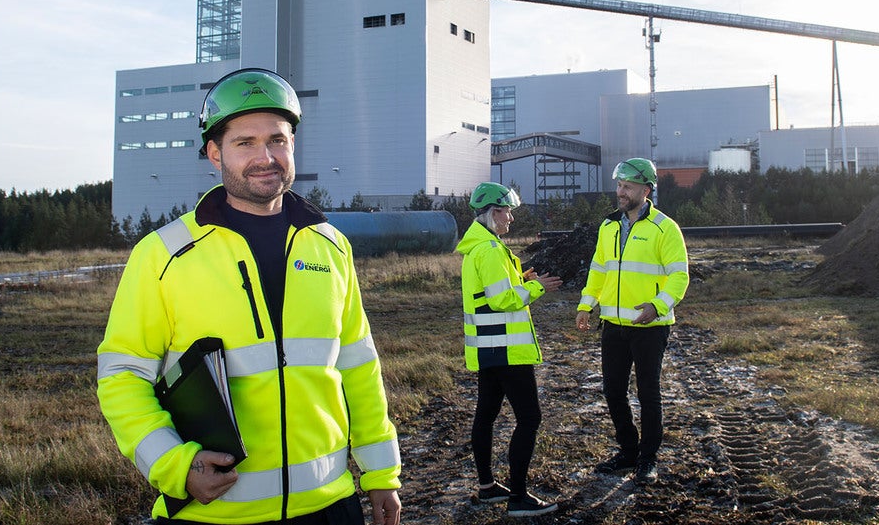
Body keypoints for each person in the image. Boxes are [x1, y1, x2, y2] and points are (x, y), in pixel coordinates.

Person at [96, 68, 402, 525]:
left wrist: (381, 474)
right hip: (214, 513)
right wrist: (174, 465)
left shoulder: (331, 246)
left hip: (328, 507)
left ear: (293, 145)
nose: (266, 156)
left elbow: (358, 367)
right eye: (245, 143)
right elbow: (122, 375)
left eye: (277, 140)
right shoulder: (163, 254)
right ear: (214, 154)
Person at [574, 158, 690, 486]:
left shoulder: (665, 228)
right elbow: (598, 270)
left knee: (648, 393)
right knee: (612, 390)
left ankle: (648, 458)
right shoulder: (608, 226)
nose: (620, 192)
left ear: (645, 189)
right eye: (619, 186)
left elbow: (679, 276)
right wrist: (586, 305)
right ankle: (628, 451)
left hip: (651, 327)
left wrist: (657, 305)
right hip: (613, 324)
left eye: (627, 187)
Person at [456, 182, 562, 517]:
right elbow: (502, 299)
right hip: (506, 350)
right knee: (530, 418)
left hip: (490, 350)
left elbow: (493, 290)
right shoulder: (489, 249)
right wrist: (535, 287)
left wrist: (521, 277)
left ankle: (487, 488)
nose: (511, 218)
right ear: (493, 212)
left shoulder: (483, 247)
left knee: (486, 415)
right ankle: (518, 498)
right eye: (507, 212)